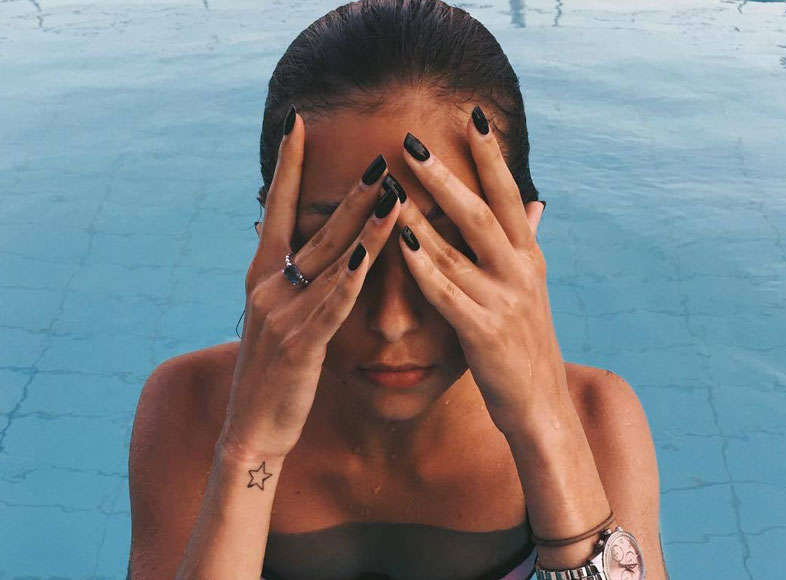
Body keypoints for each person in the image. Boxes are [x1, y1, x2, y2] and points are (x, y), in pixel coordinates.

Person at [127, 1, 668, 578]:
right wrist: (250, 448)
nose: (391, 323)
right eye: (341, 247)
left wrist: (545, 429)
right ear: (273, 240)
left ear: (521, 242)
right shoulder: (193, 406)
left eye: (446, 249)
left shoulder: (594, 419)